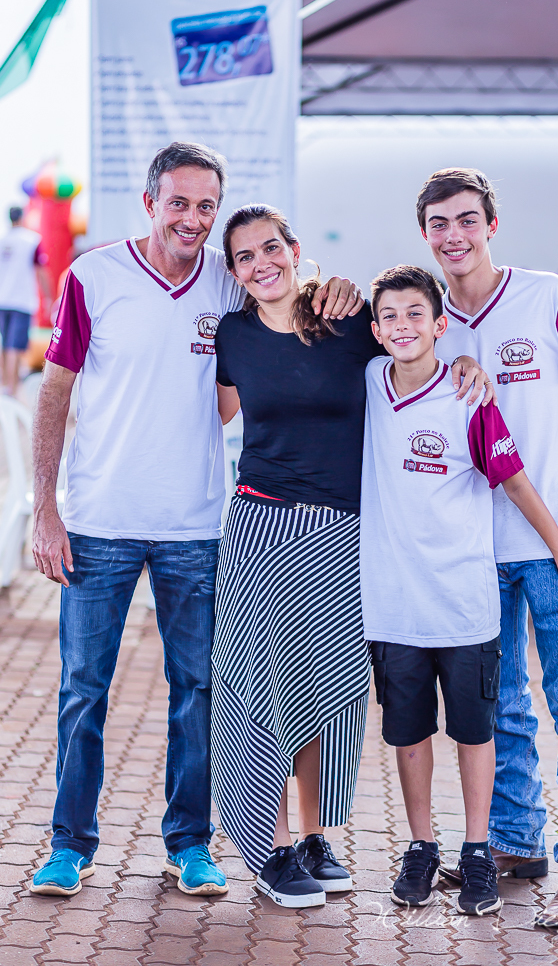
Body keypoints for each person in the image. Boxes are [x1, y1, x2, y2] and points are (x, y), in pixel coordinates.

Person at [29, 142, 363, 899]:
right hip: (99, 521)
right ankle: (69, 845)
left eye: (206, 205)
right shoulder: (93, 276)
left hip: (198, 525)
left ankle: (190, 843)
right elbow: (55, 392)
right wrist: (46, 508)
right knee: (83, 689)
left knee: (199, 693)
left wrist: (338, 286)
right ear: (150, 202)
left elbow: (288, 300)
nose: (193, 218)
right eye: (178, 202)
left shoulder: (228, 278)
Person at [211, 206, 492, 909]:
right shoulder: (232, 335)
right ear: (234, 271)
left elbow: (412, 350)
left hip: (343, 536)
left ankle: (313, 837)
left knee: (327, 697)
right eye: (245, 256)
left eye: (271, 248)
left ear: (293, 249)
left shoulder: (347, 322)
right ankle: (271, 847)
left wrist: (463, 361)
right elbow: (216, 413)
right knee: (261, 692)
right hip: (261, 526)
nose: (261, 264)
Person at [418, 168, 558, 929]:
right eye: (439, 224)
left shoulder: (545, 296)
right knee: (499, 703)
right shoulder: (427, 318)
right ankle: (514, 840)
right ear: (425, 235)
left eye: (466, 220)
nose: (454, 236)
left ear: (491, 225)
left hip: (556, 541)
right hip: (475, 548)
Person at [361, 265, 558, 916]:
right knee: (408, 734)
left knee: (477, 731)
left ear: (441, 325)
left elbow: (515, 482)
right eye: (389, 317)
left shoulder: (469, 398)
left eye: (416, 314)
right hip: (395, 606)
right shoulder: (369, 383)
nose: (402, 326)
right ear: (374, 331)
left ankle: (476, 850)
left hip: (465, 604)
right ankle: (420, 847)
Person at [0, 206, 52, 395]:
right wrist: (48, 297)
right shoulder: (31, 240)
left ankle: (5, 384)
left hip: (3, 299)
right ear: (22, 218)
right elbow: (42, 271)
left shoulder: (3, 239)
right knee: (14, 345)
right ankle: (12, 388)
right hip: (21, 300)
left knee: (5, 343)